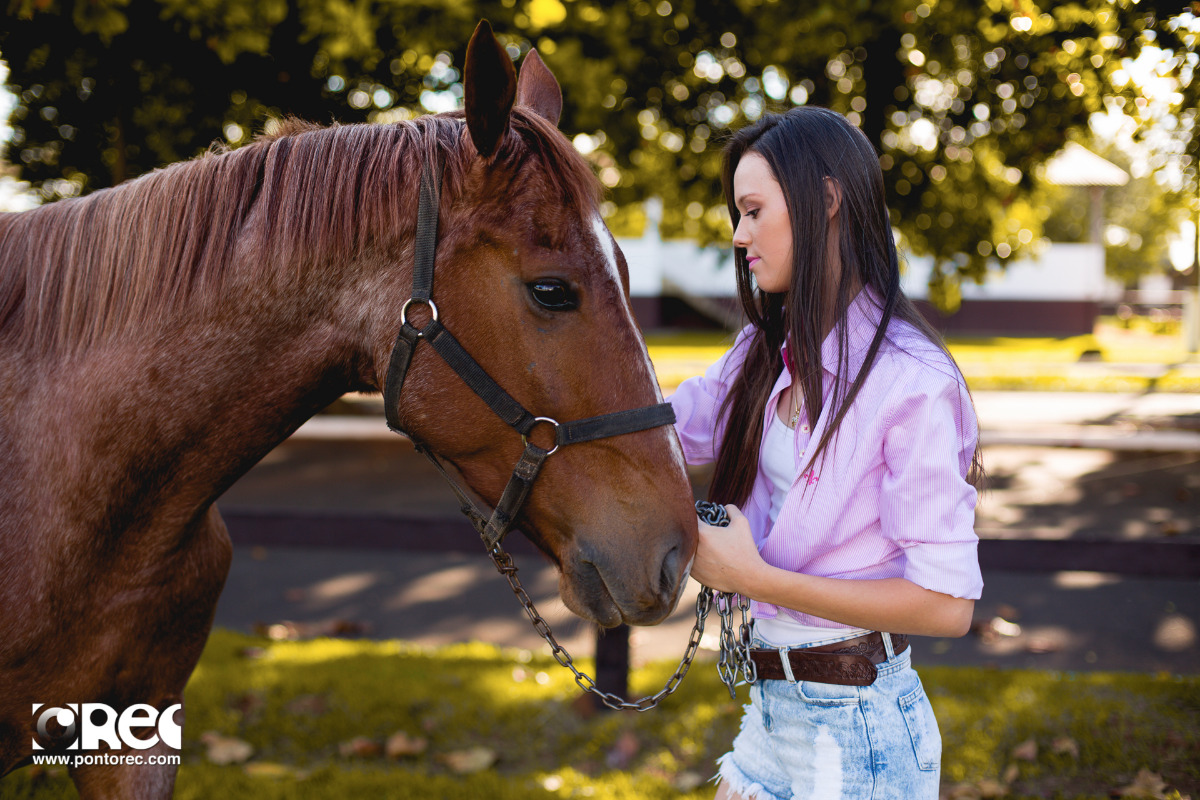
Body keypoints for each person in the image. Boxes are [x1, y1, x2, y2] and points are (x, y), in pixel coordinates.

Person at [669, 106, 984, 799]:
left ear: (828, 199)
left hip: (859, 733)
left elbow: (946, 606)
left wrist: (756, 578)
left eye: (754, 211)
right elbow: (659, 432)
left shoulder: (911, 381)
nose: (739, 234)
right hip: (772, 713)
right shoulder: (762, 352)